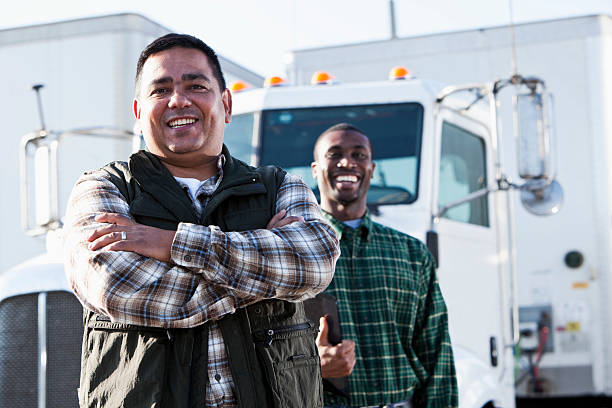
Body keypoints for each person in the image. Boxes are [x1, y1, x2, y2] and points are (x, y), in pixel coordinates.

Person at [63, 33, 340, 408]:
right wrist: (262, 271)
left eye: (196, 85)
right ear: (139, 114)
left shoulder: (279, 186)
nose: (178, 100)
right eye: (160, 90)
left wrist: (170, 243)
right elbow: (117, 286)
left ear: (225, 103)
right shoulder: (103, 187)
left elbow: (315, 260)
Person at [311, 123, 458, 408]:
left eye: (359, 155)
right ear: (315, 169)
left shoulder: (411, 253)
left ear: (372, 169)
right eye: (335, 154)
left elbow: (436, 349)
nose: (347, 162)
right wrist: (313, 365)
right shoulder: (291, 251)